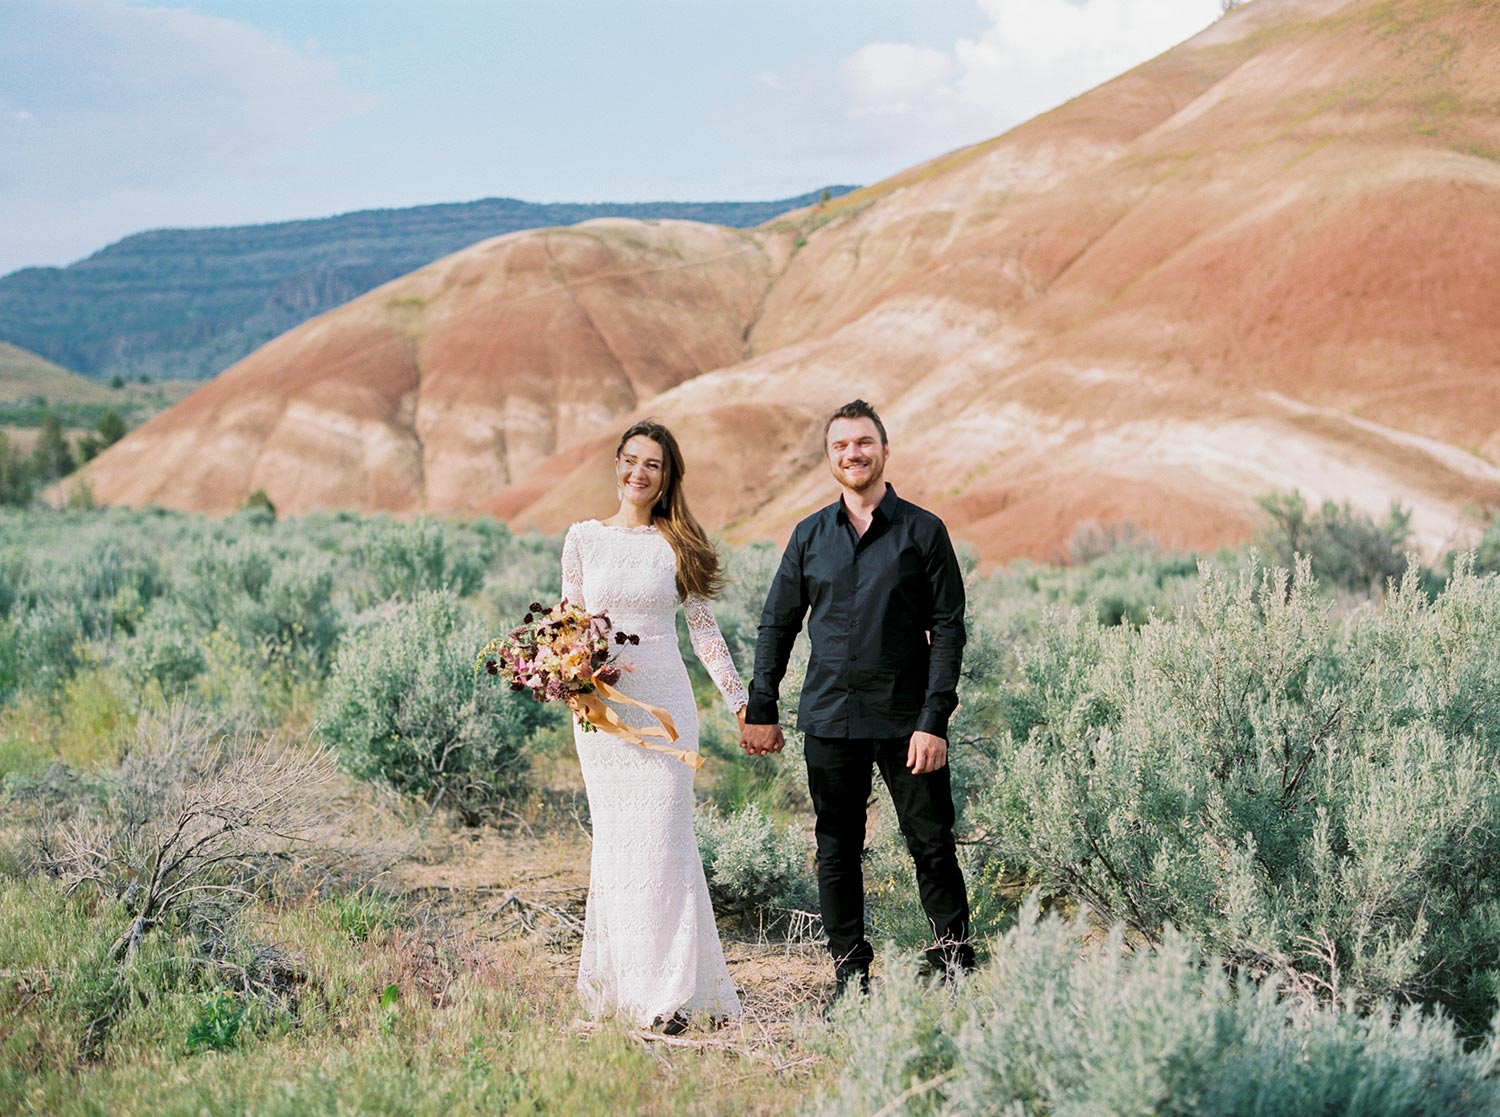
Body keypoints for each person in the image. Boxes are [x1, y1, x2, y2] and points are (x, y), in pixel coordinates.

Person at [740, 399, 974, 1005]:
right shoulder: (809, 535)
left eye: (863, 442)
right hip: (830, 719)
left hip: (907, 723)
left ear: (884, 450)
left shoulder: (924, 531)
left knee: (932, 843)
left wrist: (933, 720)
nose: (853, 454)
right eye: (841, 446)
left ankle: (954, 968)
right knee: (837, 851)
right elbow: (777, 624)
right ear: (829, 458)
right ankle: (851, 980)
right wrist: (761, 706)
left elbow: (949, 628)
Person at [560, 419, 747, 1034]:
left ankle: (672, 996)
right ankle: (632, 991)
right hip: (604, 718)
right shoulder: (583, 538)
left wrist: (738, 700)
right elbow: (569, 624)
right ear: (616, 464)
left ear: (668, 478)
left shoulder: (678, 541)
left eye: (654, 465)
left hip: (667, 711)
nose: (640, 473)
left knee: (665, 843)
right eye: (632, 460)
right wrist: (565, 674)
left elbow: (703, 629)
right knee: (618, 849)